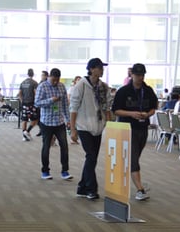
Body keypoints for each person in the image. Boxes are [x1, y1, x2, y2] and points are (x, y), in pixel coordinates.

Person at [112, 62, 158, 200]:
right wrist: (131, 114)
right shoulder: (123, 91)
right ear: (131, 75)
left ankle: (130, 178)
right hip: (127, 129)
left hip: (142, 128)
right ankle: (140, 189)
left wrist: (147, 114)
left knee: (135, 157)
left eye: (142, 75)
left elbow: (153, 108)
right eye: (137, 75)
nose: (140, 77)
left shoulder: (148, 90)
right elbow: (116, 110)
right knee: (133, 159)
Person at [68, 57, 109, 200]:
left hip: (98, 127)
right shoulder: (81, 85)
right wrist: (73, 129)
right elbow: (73, 107)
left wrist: (107, 123)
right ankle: (92, 189)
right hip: (83, 126)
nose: (102, 70)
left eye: (102, 67)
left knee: (92, 158)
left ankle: (82, 187)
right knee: (91, 156)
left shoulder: (103, 87)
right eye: (99, 67)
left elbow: (106, 106)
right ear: (91, 69)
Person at [35, 67, 72, 181]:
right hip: (46, 122)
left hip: (59, 121)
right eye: (53, 80)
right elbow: (37, 103)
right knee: (46, 146)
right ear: (50, 76)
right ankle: (45, 171)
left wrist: (68, 120)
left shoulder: (61, 86)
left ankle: (65, 171)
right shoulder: (42, 86)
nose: (55, 82)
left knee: (64, 146)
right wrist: (51, 100)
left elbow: (65, 104)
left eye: (57, 80)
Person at [18, 68, 39, 141]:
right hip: (32, 103)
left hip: (24, 103)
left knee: (24, 119)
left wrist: (21, 100)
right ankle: (27, 131)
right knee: (35, 119)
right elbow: (36, 93)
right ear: (33, 74)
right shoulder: (34, 83)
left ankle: (24, 135)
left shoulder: (23, 82)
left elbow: (19, 93)